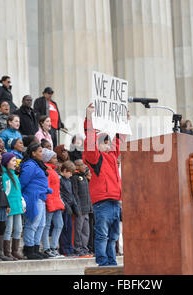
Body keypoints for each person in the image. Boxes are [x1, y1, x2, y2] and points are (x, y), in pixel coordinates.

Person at [83, 103, 127, 266]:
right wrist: (89, 117)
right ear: (98, 145)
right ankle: (103, 262)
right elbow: (90, 140)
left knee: (114, 235)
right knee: (102, 234)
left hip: (115, 201)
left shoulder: (112, 156)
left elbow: (120, 140)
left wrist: (124, 122)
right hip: (102, 202)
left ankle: (111, 261)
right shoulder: (95, 157)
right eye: (104, 143)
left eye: (109, 143)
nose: (108, 145)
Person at [19, 143, 53, 259]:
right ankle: (29, 249)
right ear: (33, 153)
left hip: (41, 197)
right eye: (39, 151)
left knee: (41, 225)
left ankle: (35, 248)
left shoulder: (37, 164)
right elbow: (23, 182)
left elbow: (38, 181)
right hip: (33, 197)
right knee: (32, 224)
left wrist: (46, 189)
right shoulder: (30, 165)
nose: (42, 153)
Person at [42, 148, 65, 258]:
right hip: (50, 202)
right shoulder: (47, 171)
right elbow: (47, 188)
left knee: (59, 225)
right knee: (47, 225)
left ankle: (53, 247)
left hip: (56, 201)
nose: (56, 160)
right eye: (54, 158)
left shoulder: (53, 170)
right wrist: (48, 201)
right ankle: (47, 248)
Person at [1, 153, 26, 260]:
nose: (15, 163)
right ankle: (7, 252)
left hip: (18, 206)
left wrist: (23, 203)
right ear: (6, 163)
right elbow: (5, 192)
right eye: (12, 161)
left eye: (15, 161)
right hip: (10, 206)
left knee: (19, 228)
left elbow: (18, 192)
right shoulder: (4, 176)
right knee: (8, 228)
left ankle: (15, 251)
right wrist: (6, 205)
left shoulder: (15, 176)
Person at [72, 159, 93, 257]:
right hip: (80, 209)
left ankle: (85, 248)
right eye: (81, 165)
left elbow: (88, 194)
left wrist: (90, 207)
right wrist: (77, 208)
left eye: (84, 164)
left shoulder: (84, 177)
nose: (84, 166)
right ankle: (78, 248)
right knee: (78, 230)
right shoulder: (75, 178)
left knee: (86, 230)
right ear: (76, 166)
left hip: (86, 209)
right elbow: (75, 194)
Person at [59, 160, 79, 257]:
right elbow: (61, 195)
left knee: (70, 229)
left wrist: (75, 207)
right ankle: (64, 249)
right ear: (65, 170)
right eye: (70, 173)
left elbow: (71, 195)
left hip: (70, 208)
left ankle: (70, 248)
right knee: (64, 228)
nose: (71, 175)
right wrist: (66, 206)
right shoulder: (60, 180)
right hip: (64, 208)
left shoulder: (68, 180)